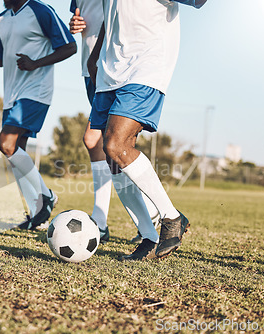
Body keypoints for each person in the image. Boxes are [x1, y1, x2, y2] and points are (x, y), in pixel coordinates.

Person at [0, 0, 76, 230]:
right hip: (11, 95)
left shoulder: (41, 10)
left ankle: (47, 196)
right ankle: (36, 216)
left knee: (7, 143)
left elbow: (70, 47)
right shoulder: (2, 19)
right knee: (15, 155)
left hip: (36, 91)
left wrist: (36, 64)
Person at [88, 0, 189, 260]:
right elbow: (112, 16)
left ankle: (172, 217)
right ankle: (149, 235)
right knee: (113, 158)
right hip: (109, 69)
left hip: (146, 65)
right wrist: (95, 53)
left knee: (115, 144)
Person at [68, 0, 161, 245]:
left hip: (115, 64)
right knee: (106, 146)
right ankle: (145, 216)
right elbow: (81, 17)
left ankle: (113, 219)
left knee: (108, 143)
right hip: (92, 66)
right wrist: (76, 25)